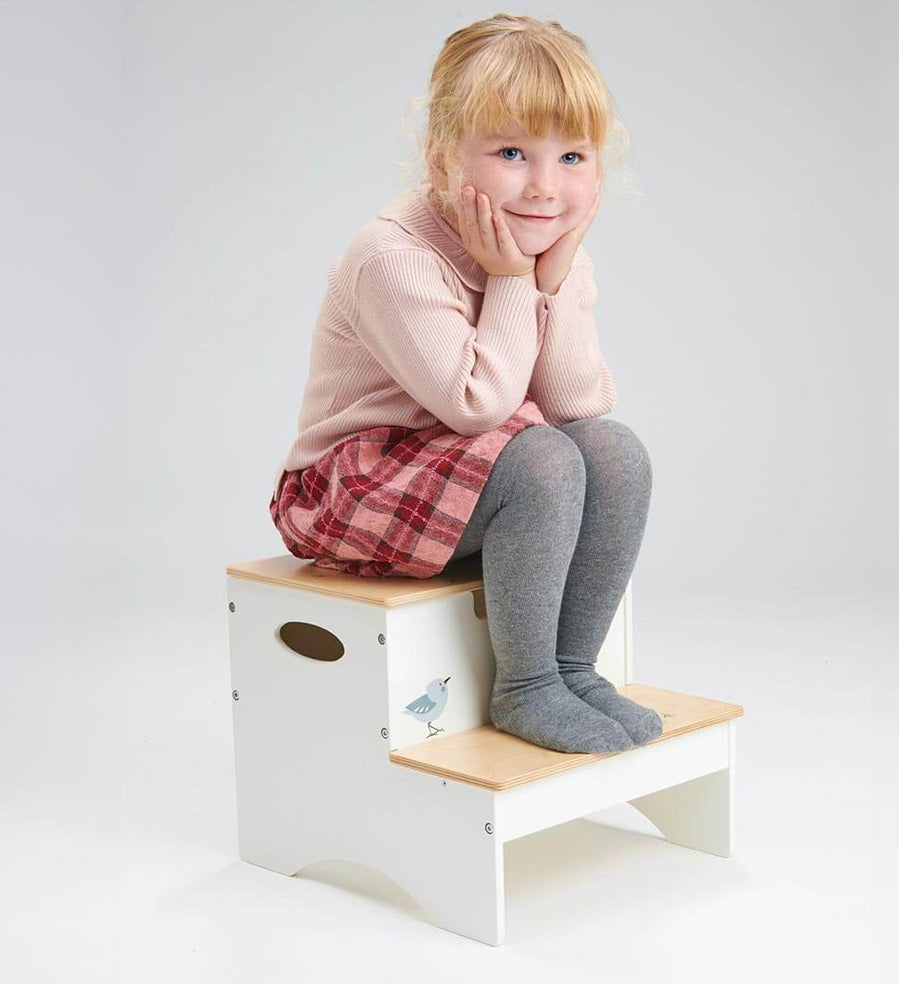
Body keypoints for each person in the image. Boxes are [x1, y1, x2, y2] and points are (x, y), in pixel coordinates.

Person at [269, 13, 660, 754]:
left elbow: (578, 402)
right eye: (512, 152)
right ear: (444, 159)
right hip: (349, 486)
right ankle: (528, 685)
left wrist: (555, 276)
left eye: (572, 156)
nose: (545, 187)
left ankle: (573, 669)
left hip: (468, 470)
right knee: (544, 459)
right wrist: (515, 280)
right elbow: (478, 405)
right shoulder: (395, 255)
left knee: (614, 452)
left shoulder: (547, 249)